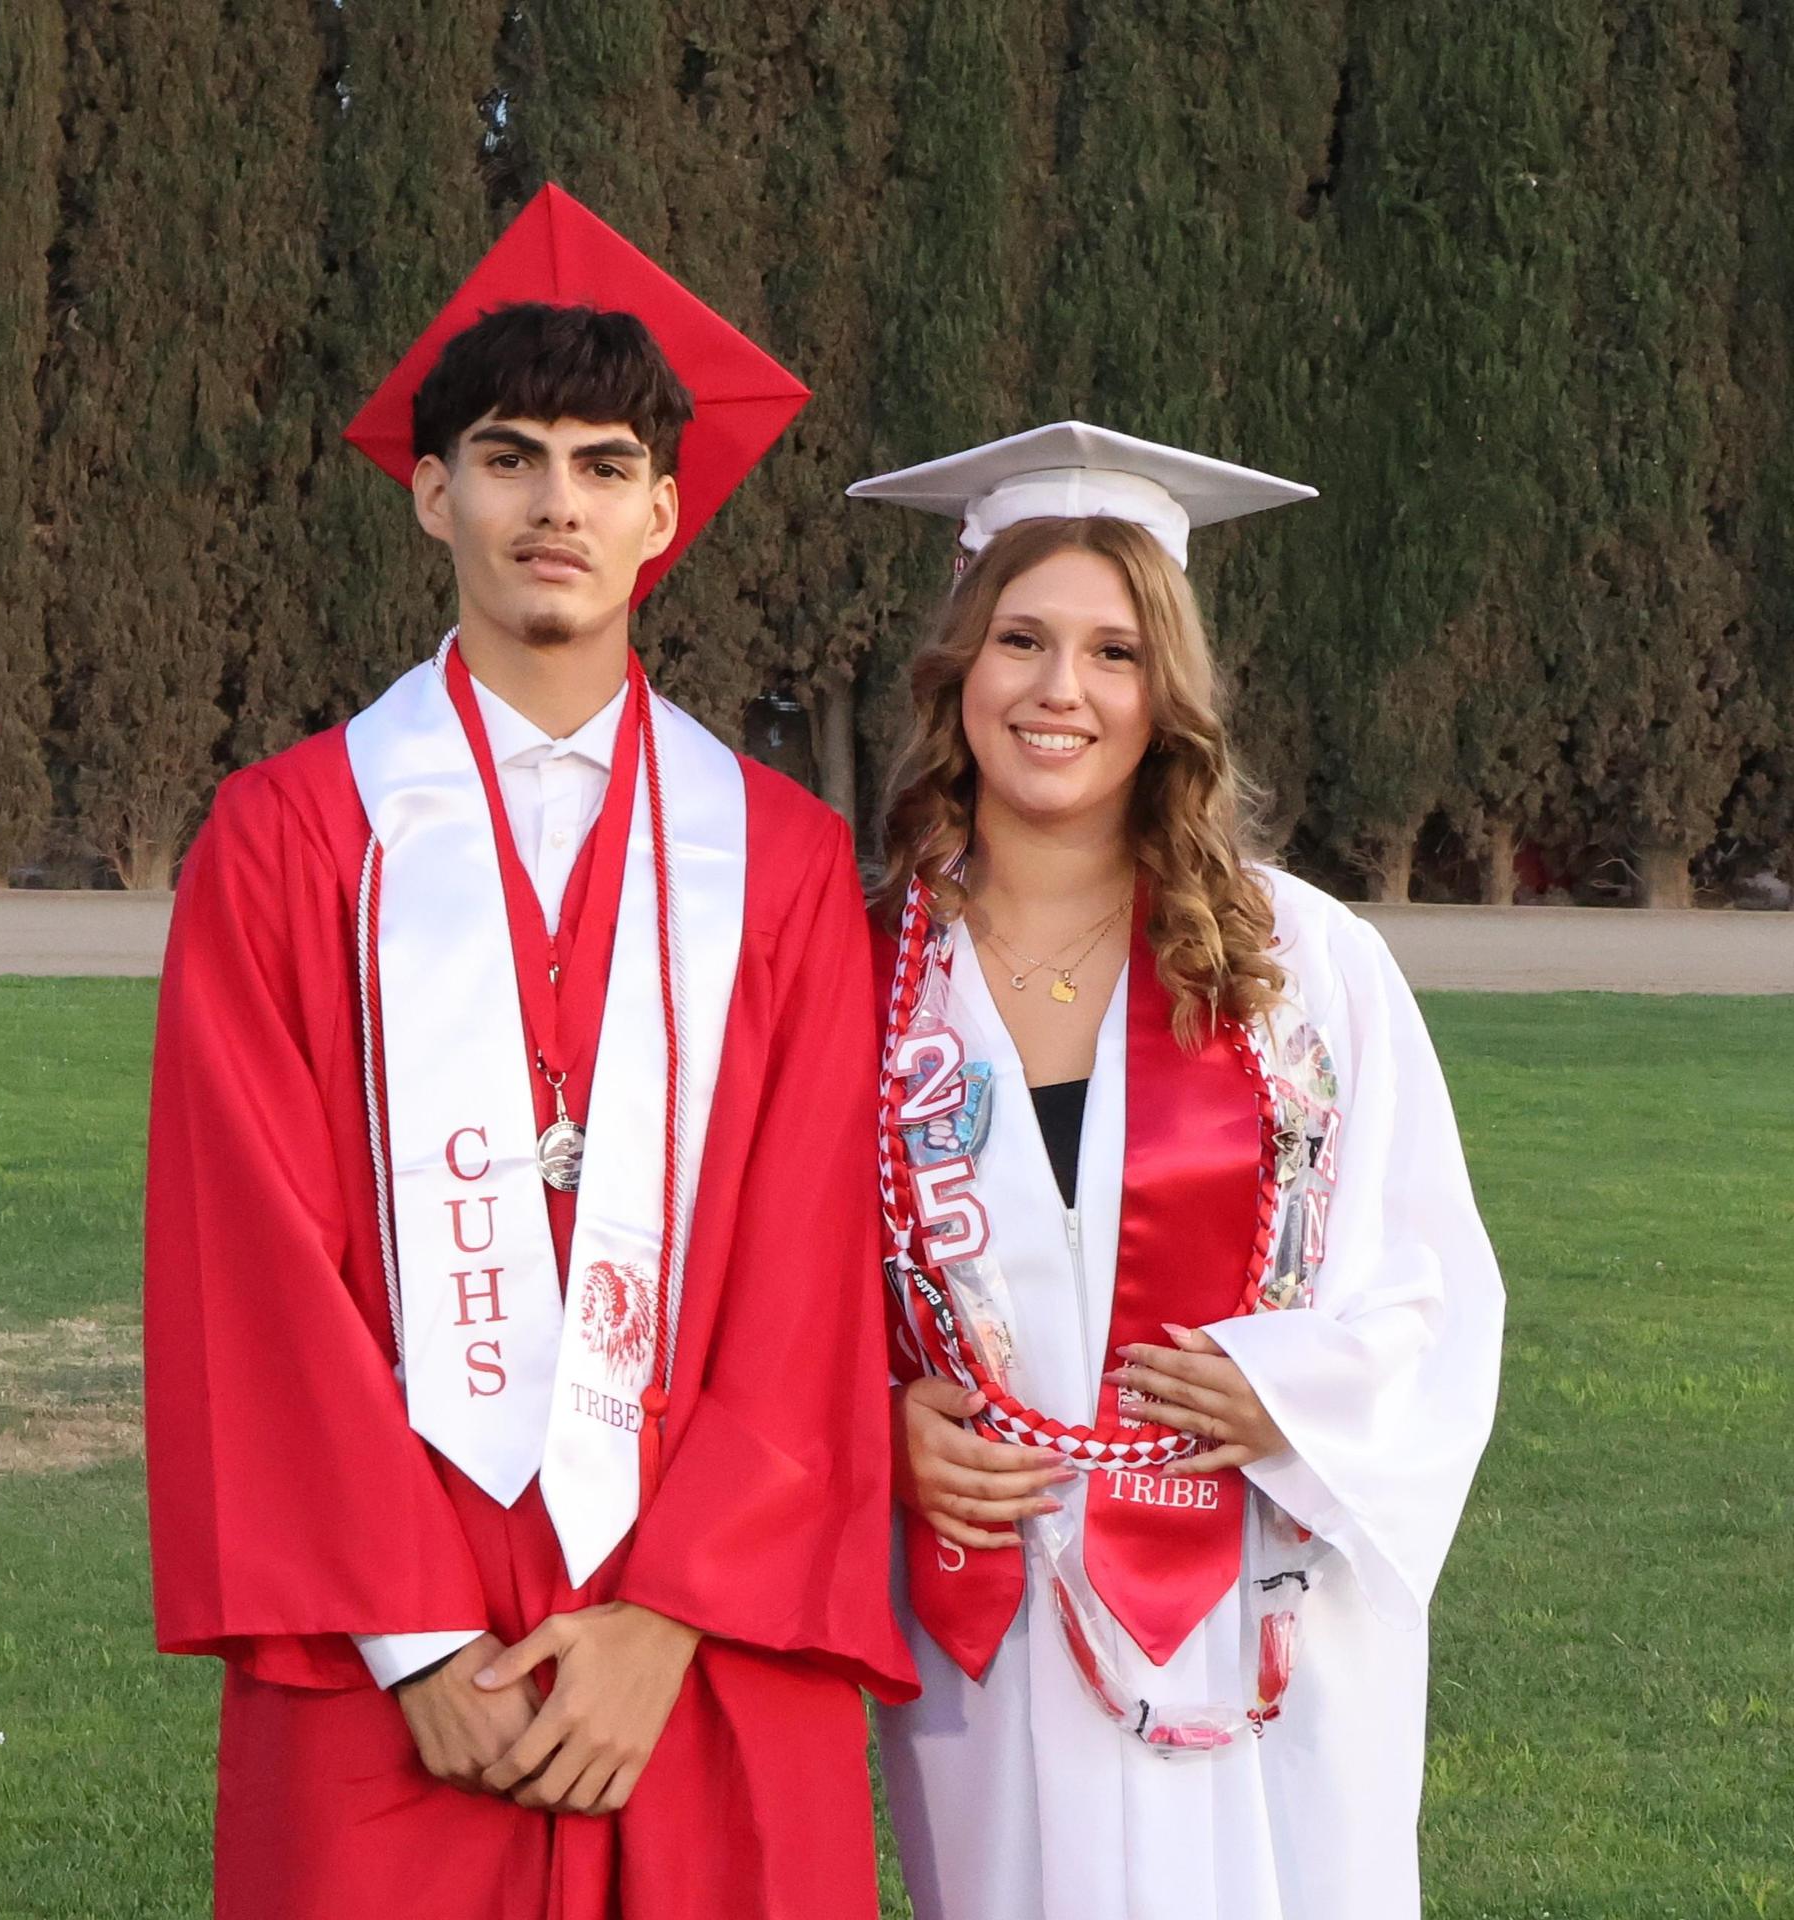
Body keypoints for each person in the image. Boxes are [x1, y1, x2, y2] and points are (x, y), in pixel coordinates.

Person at [144, 184, 914, 1920]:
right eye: (507, 457)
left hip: (697, 1636)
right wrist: (411, 1636)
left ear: (664, 512)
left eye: (601, 463)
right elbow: (245, 1258)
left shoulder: (778, 860)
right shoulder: (286, 841)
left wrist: (672, 1612)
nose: (553, 503)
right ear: (433, 494)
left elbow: (808, 1272)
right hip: (392, 1637)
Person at [850, 422, 1505, 1920]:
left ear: (1171, 697)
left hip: (1263, 1579)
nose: (1062, 690)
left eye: (1115, 651)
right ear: (960, 669)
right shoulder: (861, 967)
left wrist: (1296, 1388)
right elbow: (776, 1276)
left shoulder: (1300, 962)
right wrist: (878, 1425)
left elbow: (1429, 1271)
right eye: (1022, 639)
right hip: (993, 1599)